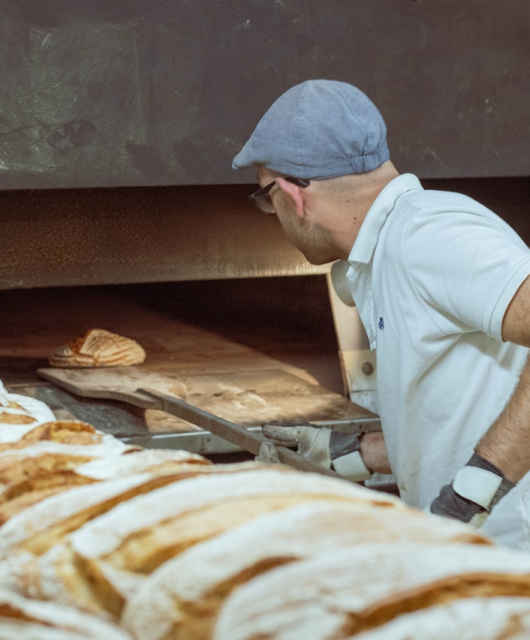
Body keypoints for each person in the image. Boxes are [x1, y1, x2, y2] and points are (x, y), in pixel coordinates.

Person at [231, 79, 530, 551]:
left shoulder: (429, 234)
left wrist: (477, 487)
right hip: (465, 556)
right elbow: (457, 409)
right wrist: (356, 456)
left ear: (292, 194)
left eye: (267, 198)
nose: (275, 212)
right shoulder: (385, 251)